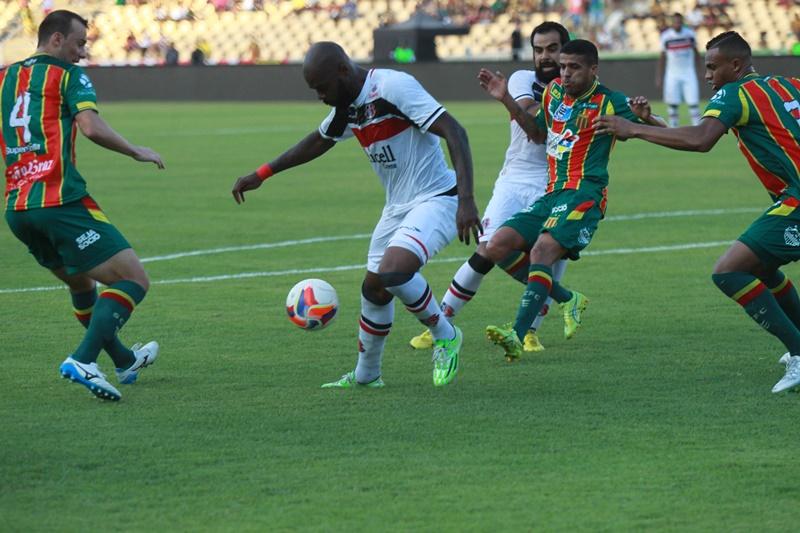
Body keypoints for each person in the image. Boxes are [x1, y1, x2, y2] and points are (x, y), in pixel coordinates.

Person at [231, 42, 481, 388]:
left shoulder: (393, 87)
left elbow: (455, 131)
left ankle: (445, 333)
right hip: (397, 207)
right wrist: (262, 174)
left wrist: (466, 199)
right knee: (374, 289)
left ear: (343, 71)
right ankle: (367, 376)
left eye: (322, 87)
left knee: (394, 272)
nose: (320, 96)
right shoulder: (347, 106)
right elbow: (319, 140)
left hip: (438, 197)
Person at [594, 31, 800, 394]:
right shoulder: (788, 84)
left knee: (728, 271)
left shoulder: (734, 93)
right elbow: (696, 133)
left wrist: (633, 128)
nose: (707, 76)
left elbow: (701, 140)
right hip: (791, 198)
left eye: (712, 67)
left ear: (736, 65)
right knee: (760, 267)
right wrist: (652, 123)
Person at [2, 10, 165, 401]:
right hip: (60, 200)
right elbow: (90, 126)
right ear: (56, 39)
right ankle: (83, 359)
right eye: (79, 44)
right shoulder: (68, 75)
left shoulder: (5, 77)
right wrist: (134, 150)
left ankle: (124, 361)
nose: (83, 53)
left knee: (81, 284)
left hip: (18, 208)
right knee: (133, 279)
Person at [476, 39, 666, 361]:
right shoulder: (552, 93)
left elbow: (665, 129)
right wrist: (506, 99)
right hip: (551, 193)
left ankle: (517, 335)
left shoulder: (609, 101)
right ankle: (567, 298)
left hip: (584, 194)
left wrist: (646, 118)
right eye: (563, 66)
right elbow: (536, 132)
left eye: (574, 67)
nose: (565, 73)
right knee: (496, 245)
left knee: (541, 251)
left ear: (593, 69)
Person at [409, 21, 571, 356]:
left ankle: (530, 332)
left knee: (549, 253)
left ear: (565, 51)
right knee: (488, 248)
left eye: (553, 49)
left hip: (558, 181)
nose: (545, 56)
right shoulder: (523, 80)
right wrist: (567, 102)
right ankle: (441, 321)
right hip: (516, 177)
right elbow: (534, 126)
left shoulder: (582, 88)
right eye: (539, 50)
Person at [657, 13, 702, 127]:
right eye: (675, 22)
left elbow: (696, 52)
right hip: (672, 74)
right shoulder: (666, 36)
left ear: (682, 22)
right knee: (672, 104)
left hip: (689, 73)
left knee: (693, 103)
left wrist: (700, 70)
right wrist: (659, 76)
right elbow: (662, 57)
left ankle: (697, 128)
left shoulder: (690, 34)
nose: (677, 24)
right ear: (672, 23)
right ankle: (674, 128)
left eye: (679, 22)